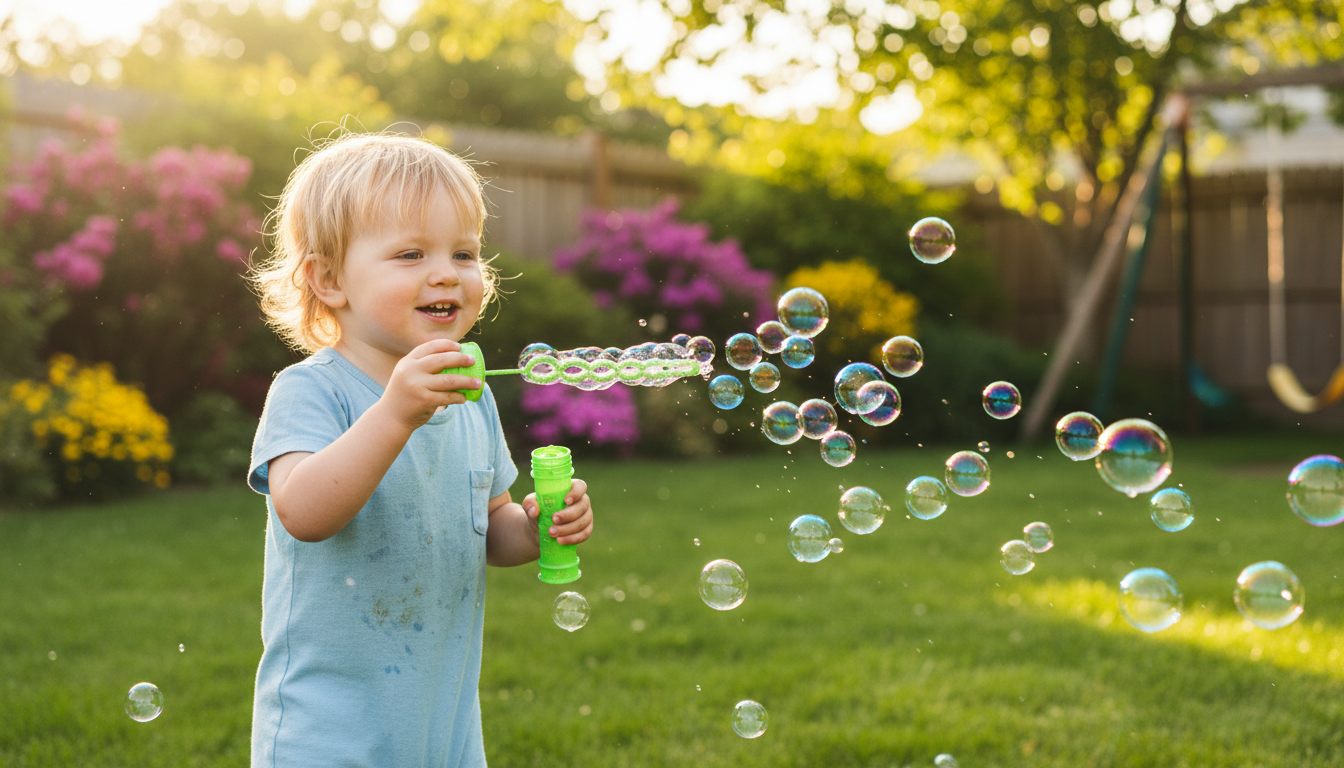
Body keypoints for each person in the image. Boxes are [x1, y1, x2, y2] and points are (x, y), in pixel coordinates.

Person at [245, 132, 594, 767]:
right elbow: (304, 513)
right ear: (328, 280)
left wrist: (538, 525)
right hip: (330, 735)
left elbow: (490, 529)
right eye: (410, 253)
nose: (445, 272)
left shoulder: (472, 398)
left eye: (464, 252)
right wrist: (396, 413)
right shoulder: (311, 392)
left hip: (444, 731)